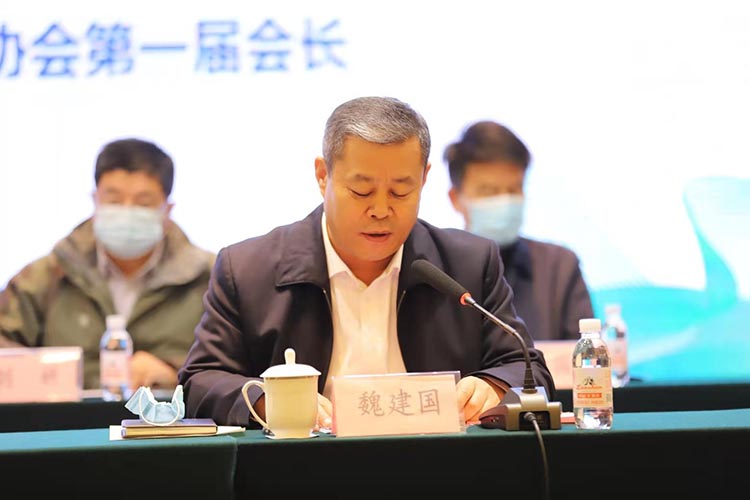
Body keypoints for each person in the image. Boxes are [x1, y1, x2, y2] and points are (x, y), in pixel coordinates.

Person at [178, 96, 554, 428]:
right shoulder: (248, 269)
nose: (380, 210)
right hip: (302, 467)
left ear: (424, 179)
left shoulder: (467, 264)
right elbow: (200, 380)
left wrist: (491, 386)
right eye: (361, 191)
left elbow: (528, 368)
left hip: (438, 464)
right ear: (322, 175)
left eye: (400, 191)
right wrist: (266, 399)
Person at [0, 138, 215, 390]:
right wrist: (47, 376)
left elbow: (236, 368)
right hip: (64, 412)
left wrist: (177, 374)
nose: (127, 212)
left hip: (168, 413)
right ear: (95, 200)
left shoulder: (212, 279)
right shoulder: (46, 276)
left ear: (167, 209)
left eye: (143, 203)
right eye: (113, 200)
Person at [444, 120, 594, 341]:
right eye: (489, 191)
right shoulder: (437, 272)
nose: (504, 201)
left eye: (513, 189)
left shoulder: (559, 267)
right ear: (455, 199)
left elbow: (584, 354)